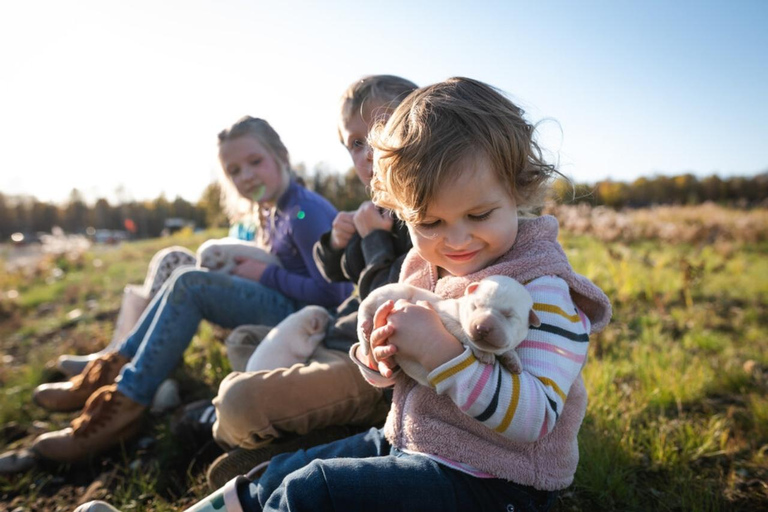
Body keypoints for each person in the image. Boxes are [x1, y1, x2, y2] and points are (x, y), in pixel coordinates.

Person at [29, 116, 353, 463]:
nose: (246, 176)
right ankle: (110, 370)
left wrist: (262, 274)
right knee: (184, 273)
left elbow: (334, 293)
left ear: (281, 156)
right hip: (288, 306)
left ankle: (125, 405)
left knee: (190, 283)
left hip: (311, 319)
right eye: (234, 171)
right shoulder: (275, 210)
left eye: (255, 161)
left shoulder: (303, 210)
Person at [205, 75, 418, 488]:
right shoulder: (378, 209)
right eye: (356, 143)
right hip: (336, 334)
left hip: (374, 366)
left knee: (236, 402)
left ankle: (331, 438)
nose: (370, 152)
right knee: (243, 341)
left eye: (385, 130)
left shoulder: (433, 217)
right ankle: (311, 430)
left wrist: (373, 240)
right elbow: (339, 274)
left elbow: (388, 302)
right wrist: (337, 244)